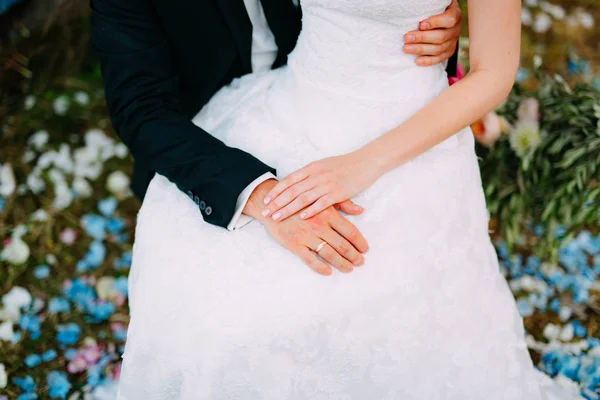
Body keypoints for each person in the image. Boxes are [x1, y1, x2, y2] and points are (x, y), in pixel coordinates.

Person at [92, 0, 583, 399]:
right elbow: (139, 107)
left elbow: (482, 63)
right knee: (218, 320)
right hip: (229, 131)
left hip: (380, 118)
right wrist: (260, 196)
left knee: (408, 316)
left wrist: (432, 24)